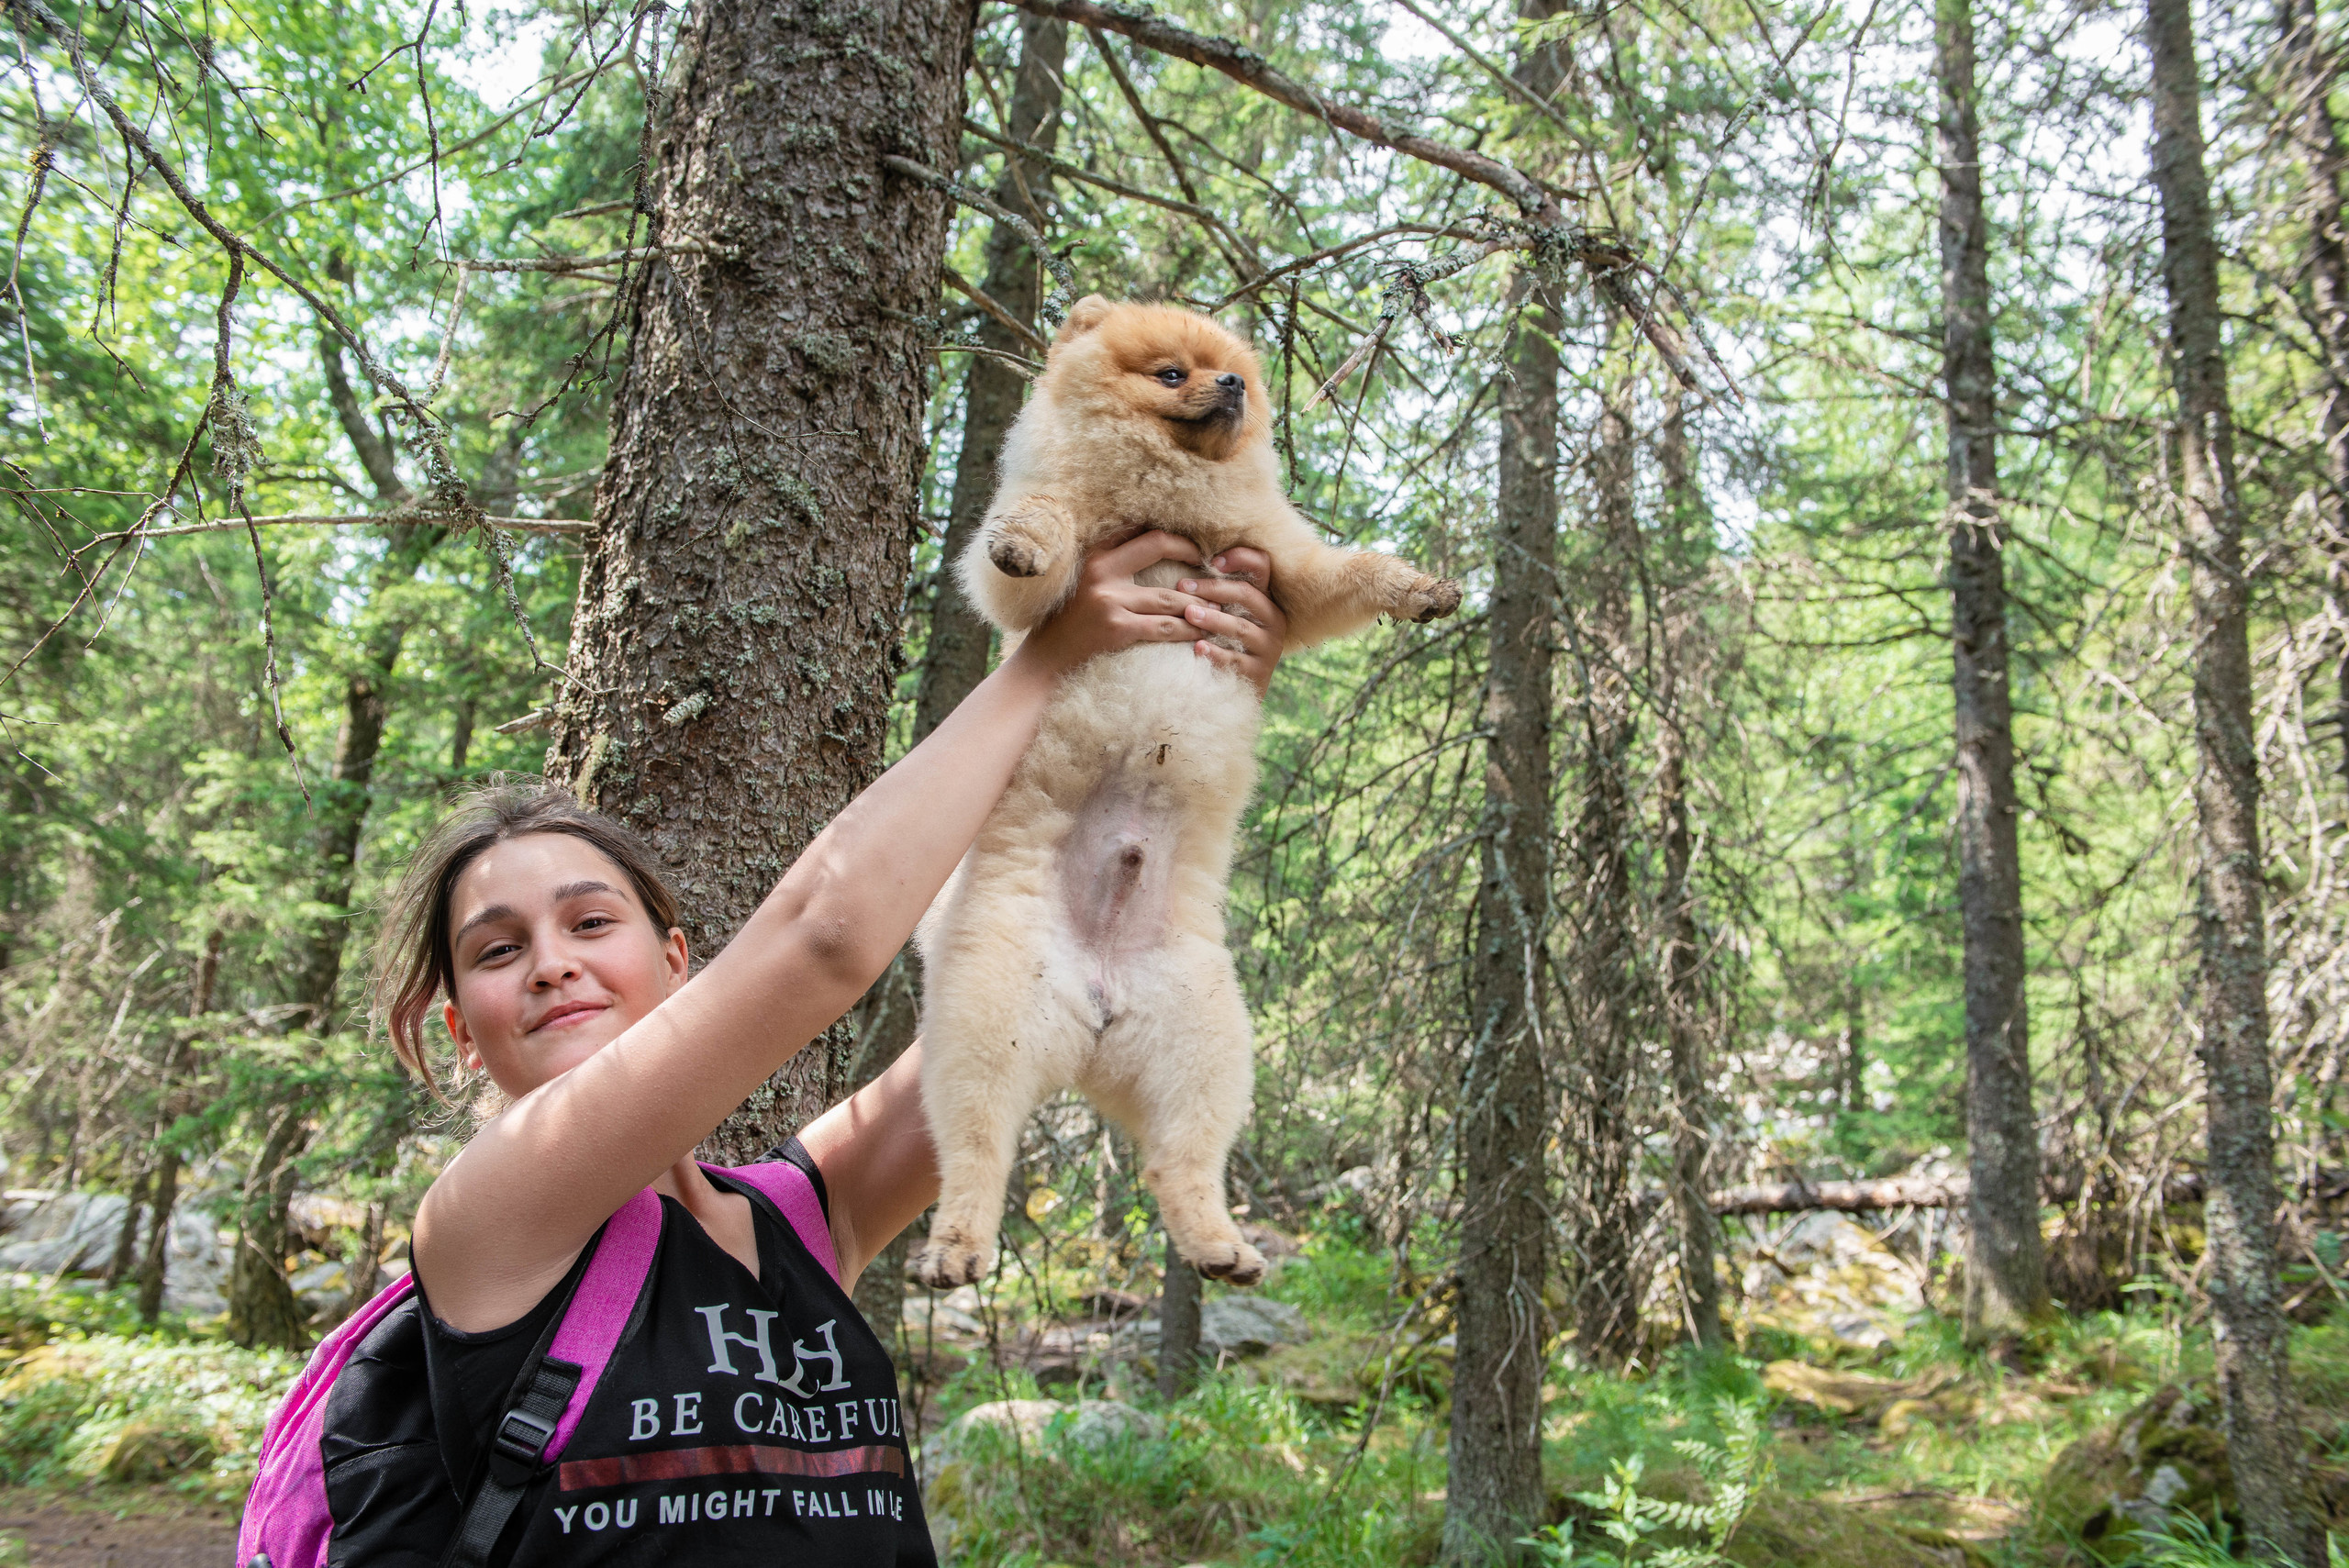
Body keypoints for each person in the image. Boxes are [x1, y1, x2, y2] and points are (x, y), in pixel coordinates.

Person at [366, 532, 1287, 1565]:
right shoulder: (488, 1220)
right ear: (461, 1030)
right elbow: (825, 935)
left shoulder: (803, 1217)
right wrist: (1048, 655)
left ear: (677, 964)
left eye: (589, 922)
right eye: (497, 949)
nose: (548, 964)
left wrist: (1180, 697)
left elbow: (1046, 1001)